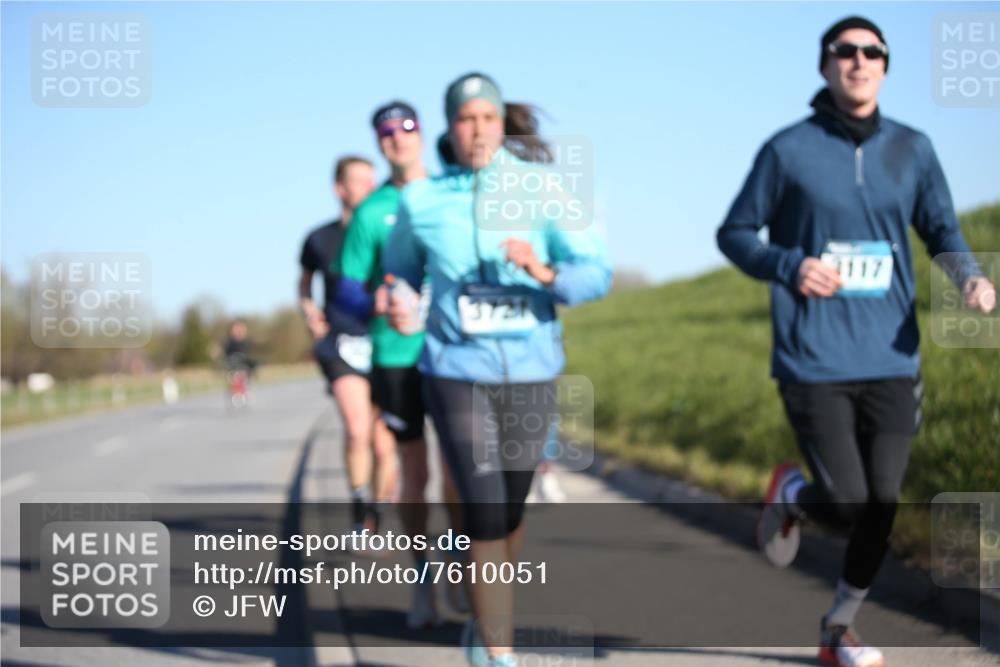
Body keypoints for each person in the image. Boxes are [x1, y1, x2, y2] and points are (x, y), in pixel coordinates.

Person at [716, 17, 996, 667]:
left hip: (892, 356)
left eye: (874, 52)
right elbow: (736, 232)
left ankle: (838, 626)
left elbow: (943, 230)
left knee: (883, 503)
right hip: (814, 358)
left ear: (886, 68)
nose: (860, 61)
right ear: (825, 66)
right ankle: (790, 494)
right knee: (846, 502)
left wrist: (971, 278)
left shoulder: (914, 149)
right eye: (846, 52)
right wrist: (789, 264)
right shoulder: (788, 150)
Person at [384, 72, 611, 667]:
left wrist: (544, 272)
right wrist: (401, 301)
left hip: (533, 366)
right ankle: (497, 652)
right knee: (482, 507)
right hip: (456, 367)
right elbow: (400, 271)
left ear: (503, 124)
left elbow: (597, 270)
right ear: (451, 129)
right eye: (465, 118)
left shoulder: (541, 189)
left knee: (511, 507)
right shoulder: (423, 202)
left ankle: (486, 619)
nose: (477, 128)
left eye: (487, 117)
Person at [335, 100, 463, 628]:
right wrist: (375, 305)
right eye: (385, 131)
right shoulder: (371, 213)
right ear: (379, 142)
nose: (397, 137)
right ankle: (422, 583)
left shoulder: (452, 194)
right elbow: (343, 292)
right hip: (395, 357)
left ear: (421, 132)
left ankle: (463, 567)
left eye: (406, 126)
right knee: (416, 473)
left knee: (460, 471)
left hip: (454, 351)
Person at [298, 155, 398, 535]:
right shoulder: (319, 238)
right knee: (357, 429)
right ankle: (360, 515)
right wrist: (310, 311)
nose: (369, 187)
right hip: (342, 341)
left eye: (373, 180)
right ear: (340, 188)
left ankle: (381, 513)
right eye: (359, 180)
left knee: (383, 442)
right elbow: (305, 282)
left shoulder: (387, 229)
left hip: (385, 341)